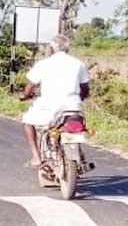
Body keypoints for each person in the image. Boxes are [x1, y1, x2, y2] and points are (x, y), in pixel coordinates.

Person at [20, 34, 90, 167]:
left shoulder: (43, 64)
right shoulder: (78, 64)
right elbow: (85, 87)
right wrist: (82, 96)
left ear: (51, 48)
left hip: (49, 106)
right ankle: (78, 155)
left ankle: (36, 157)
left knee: (27, 121)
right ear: (67, 49)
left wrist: (25, 95)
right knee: (77, 128)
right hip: (73, 106)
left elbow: (30, 86)